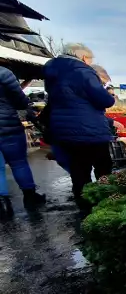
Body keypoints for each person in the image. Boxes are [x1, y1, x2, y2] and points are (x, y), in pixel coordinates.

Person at [43, 43, 115, 205]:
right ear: (84, 57)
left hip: (64, 131)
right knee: (103, 166)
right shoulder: (83, 71)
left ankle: (84, 204)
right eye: (89, 60)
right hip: (90, 129)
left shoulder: (52, 72)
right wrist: (110, 98)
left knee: (79, 170)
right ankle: (107, 200)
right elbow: (103, 99)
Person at [0, 67, 47, 212]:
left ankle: (3, 203)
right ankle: (30, 197)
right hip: (8, 126)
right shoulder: (3, 72)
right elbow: (21, 102)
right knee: (19, 163)